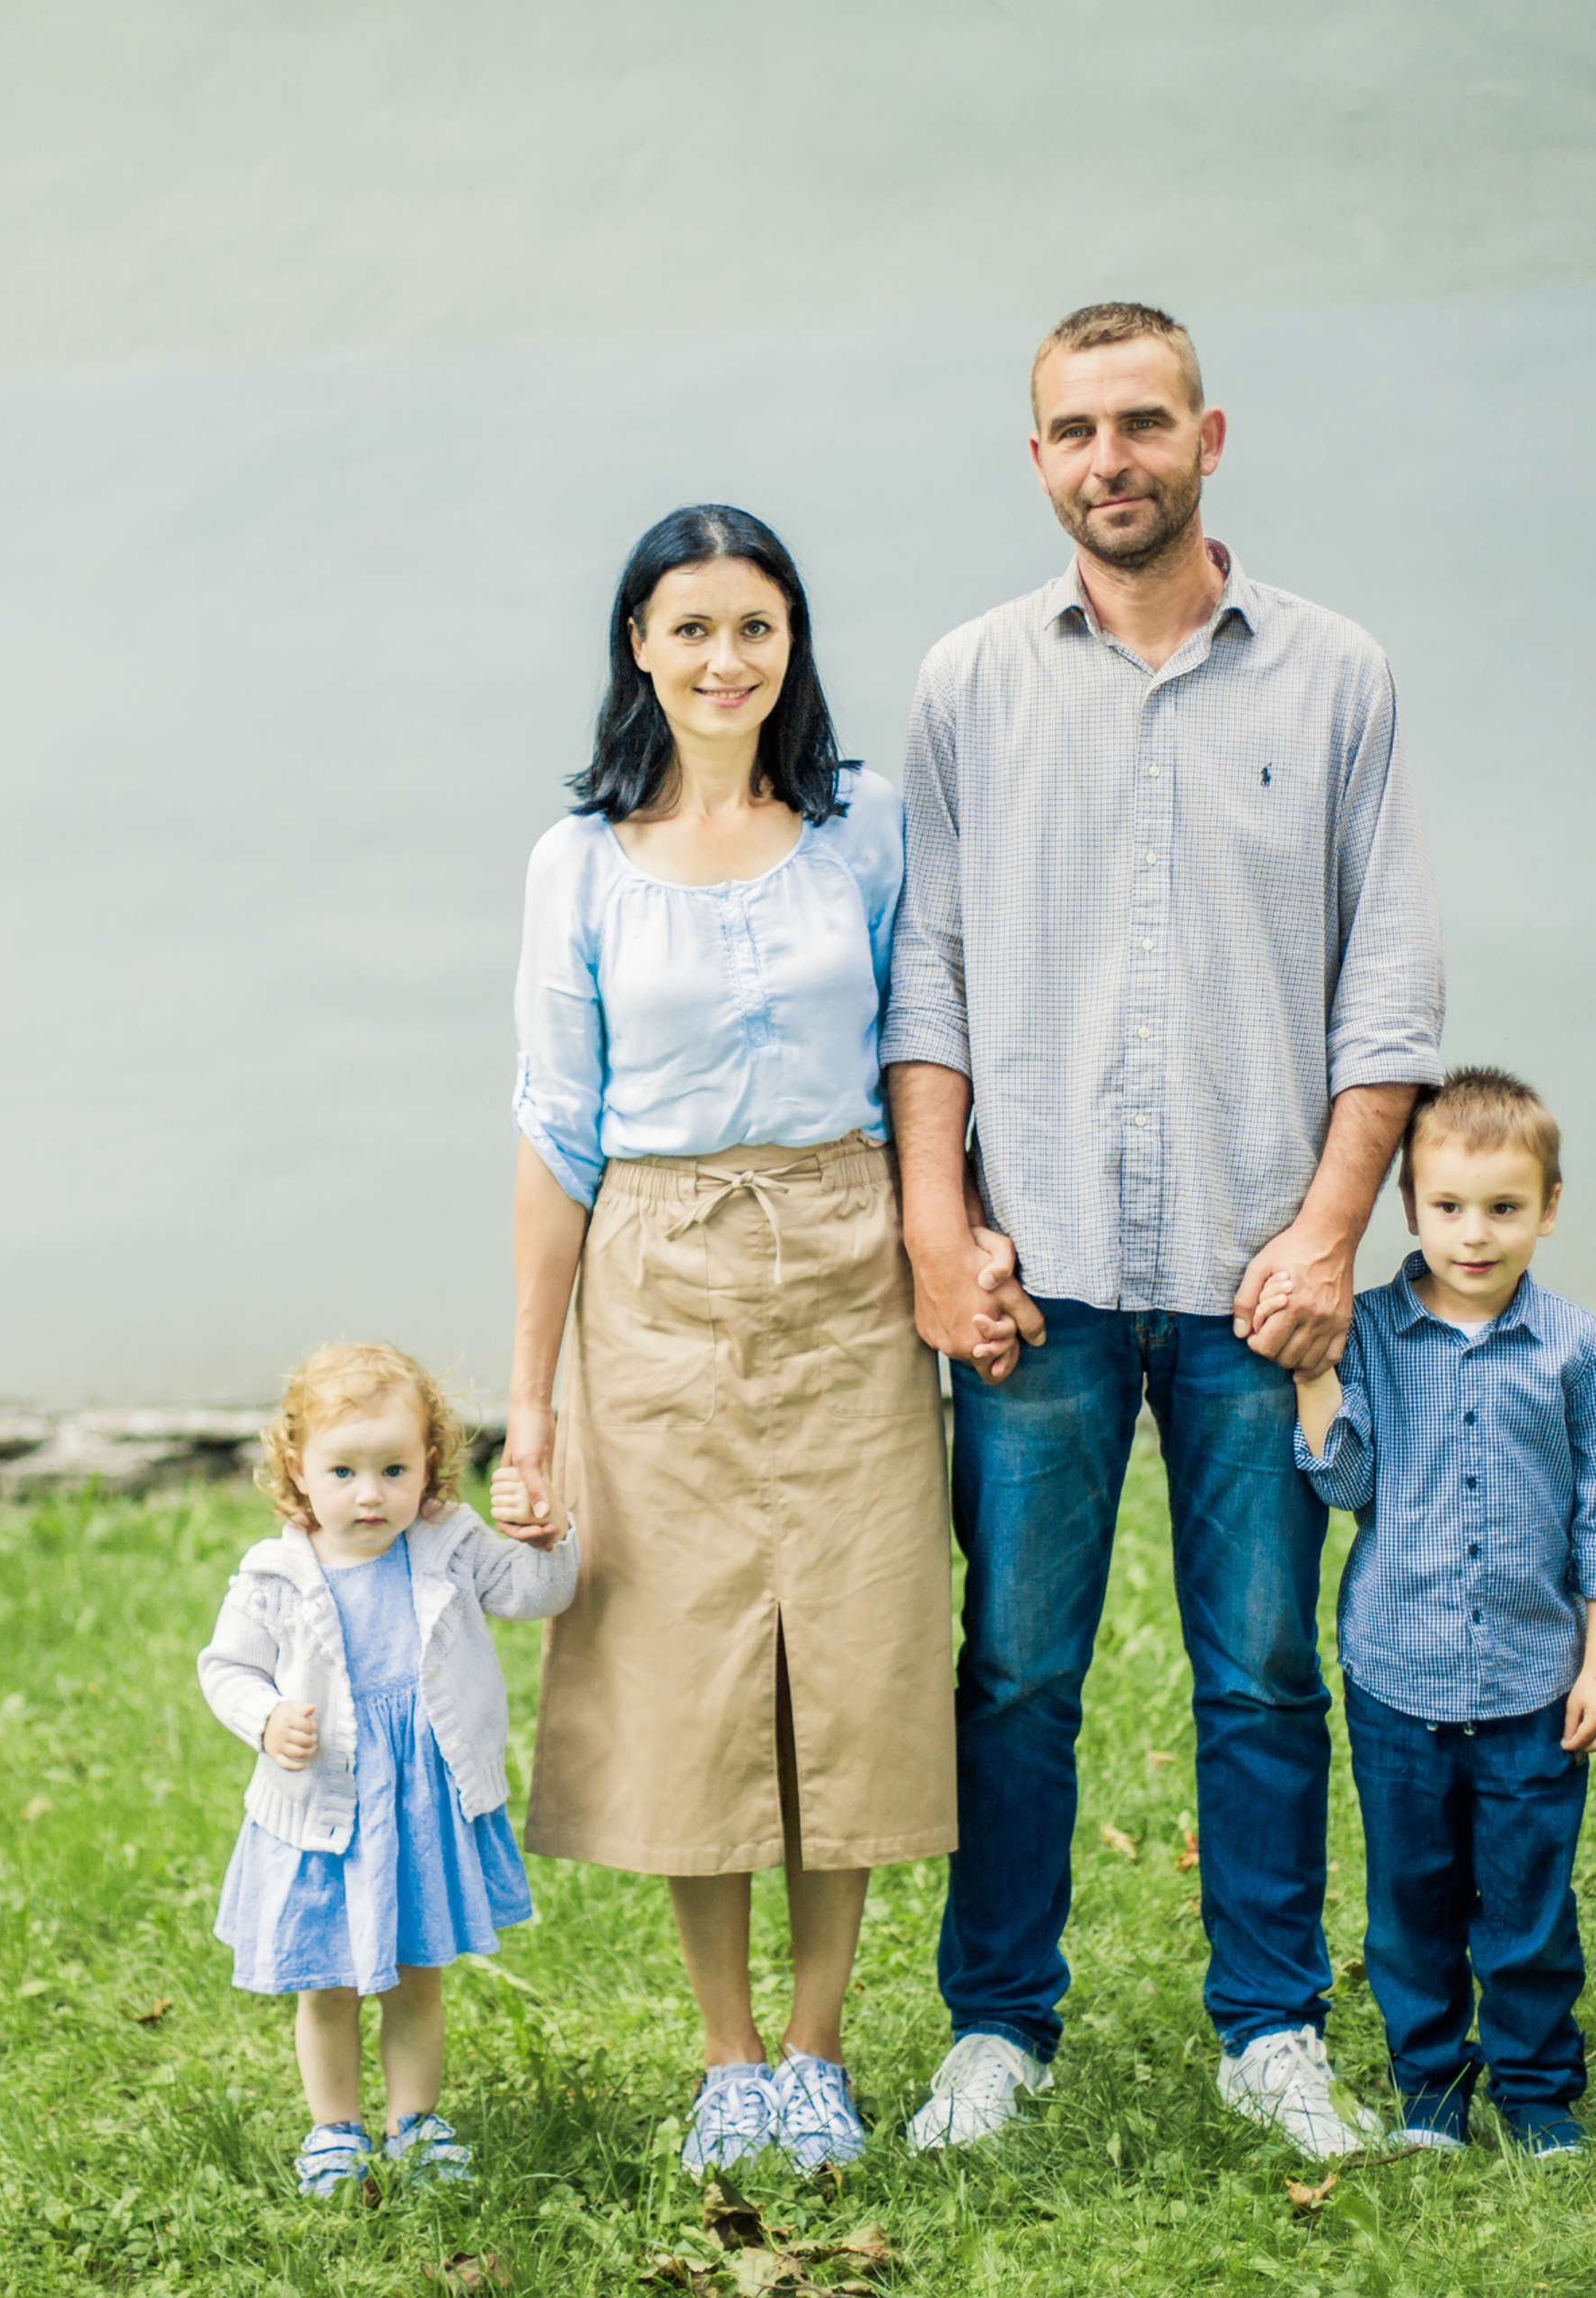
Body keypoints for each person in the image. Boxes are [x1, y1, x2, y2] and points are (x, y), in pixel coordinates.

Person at [886, 302, 1445, 2159]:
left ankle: (1268, 2025)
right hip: (1029, 1281)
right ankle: (996, 2023)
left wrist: (1328, 1232)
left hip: (1254, 1279)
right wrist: (935, 1224)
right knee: (1013, 1669)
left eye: (1140, 423)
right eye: (1071, 430)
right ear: (1032, 455)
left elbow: (1387, 980)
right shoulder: (967, 678)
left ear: (1209, 436)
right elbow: (930, 977)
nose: (1106, 458)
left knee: (1264, 1663)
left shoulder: (1336, 672)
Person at [495, 504, 968, 2176]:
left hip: (846, 1271)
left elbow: (925, 1044)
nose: (724, 659)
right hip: (660, 1282)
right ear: (639, 645)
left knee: (849, 1651)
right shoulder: (581, 863)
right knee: (689, 1660)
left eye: (754, 627)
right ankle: (727, 2057)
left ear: (793, 645)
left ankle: (823, 2049)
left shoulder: (868, 829)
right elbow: (559, 1133)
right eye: (690, 628)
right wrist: (530, 1405)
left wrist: (942, 1238)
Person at [1271, 1068, 1596, 2157]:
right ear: (1407, 1206)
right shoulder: (1377, 1332)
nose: (1473, 1235)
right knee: (1412, 1905)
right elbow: (1347, 1488)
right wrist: (1313, 1381)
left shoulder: (1572, 1349)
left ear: (1549, 1206)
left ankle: (1535, 2091)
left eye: (1503, 1207)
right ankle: (1430, 2088)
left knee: (1526, 1905)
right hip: (1399, 1682)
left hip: (1536, 1683)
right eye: (1447, 1207)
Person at [196, 1343, 575, 2196]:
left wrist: (545, 1533)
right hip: (325, 1805)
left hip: (420, 1803)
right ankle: (335, 2129)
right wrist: (264, 1720)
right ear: (299, 1470)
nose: (370, 1495)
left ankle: (415, 2121)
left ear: (430, 1466)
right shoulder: (276, 1574)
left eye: (394, 1469)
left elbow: (535, 1593)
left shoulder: (447, 1544)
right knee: (326, 1981)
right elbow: (225, 1668)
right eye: (343, 1471)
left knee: (415, 1973)